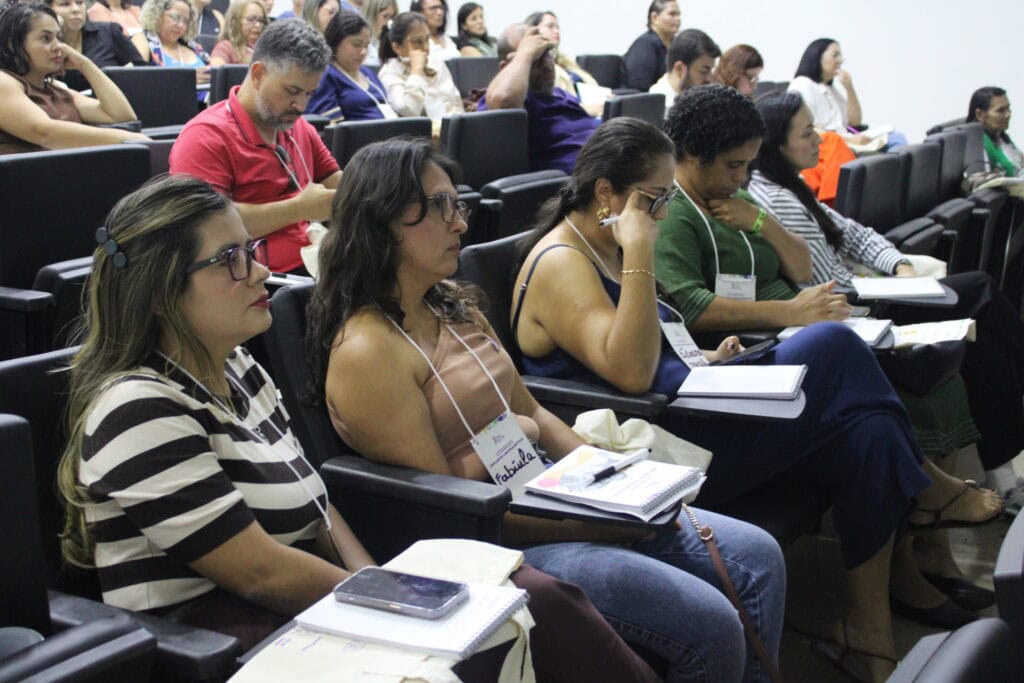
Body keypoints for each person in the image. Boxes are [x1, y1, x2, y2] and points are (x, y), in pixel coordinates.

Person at [55, 175, 661, 683]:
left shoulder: (235, 367)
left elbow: (318, 507)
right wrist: (393, 606)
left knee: (540, 601)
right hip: (219, 635)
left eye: (253, 250)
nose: (260, 273)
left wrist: (381, 582)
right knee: (481, 643)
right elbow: (257, 572)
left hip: (302, 600)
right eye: (231, 261)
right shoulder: (137, 407)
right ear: (162, 293)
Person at [513, 115, 1003, 681]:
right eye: (655, 198)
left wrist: (707, 360)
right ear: (607, 194)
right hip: (655, 449)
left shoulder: (605, 244)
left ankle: (867, 633)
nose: (664, 213)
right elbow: (627, 374)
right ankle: (925, 489)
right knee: (832, 343)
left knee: (865, 432)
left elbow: (653, 347)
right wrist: (640, 252)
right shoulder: (563, 262)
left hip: (694, 403)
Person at [306, 135, 788, 683]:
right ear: (383, 222)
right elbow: (450, 513)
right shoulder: (369, 349)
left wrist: (619, 481)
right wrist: (595, 524)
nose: (460, 223)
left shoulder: (452, 305)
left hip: (549, 493)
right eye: (440, 208)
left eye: (456, 205)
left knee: (759, 554)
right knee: (711, 623)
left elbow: (531, 408)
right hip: (501, 542)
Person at [750, 91, 1024, 516]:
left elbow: (855, 233)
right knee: (981, 289)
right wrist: (880, 284)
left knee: (982, 334)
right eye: (807, 134)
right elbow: (823, 282)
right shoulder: (773, 198)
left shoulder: (793, 185)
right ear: (775, 146)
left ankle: (1003, 477)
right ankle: (1004, 475)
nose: (820, 140)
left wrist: (899, 267)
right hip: (860, 311)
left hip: (874, 294)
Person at [169, 18, 340, 274]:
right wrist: (299, 208)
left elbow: (338, 183)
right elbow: (207, 226)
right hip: (254, 282)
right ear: (258, 74)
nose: (301, 106)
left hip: (314, 268)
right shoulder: (205, 137)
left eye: (309, 94)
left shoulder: (298, 127)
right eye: (292, 91)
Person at [0, 2, 146, 155]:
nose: (60, 47)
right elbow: (44, 132)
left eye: (59, 38)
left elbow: (121, 115)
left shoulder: (56, 89)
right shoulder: (4, 81)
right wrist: (124, 138)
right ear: (12, 44)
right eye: (46, 38)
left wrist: (84, 64)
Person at [478, 24, 598, 174]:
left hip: (607, 163)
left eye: (547, 53)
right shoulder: (506, 100)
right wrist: (526, 52)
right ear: (506, 67)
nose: (547, 64)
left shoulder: (561, 94)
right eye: (536, 57)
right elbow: (504, 99)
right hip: (576, 183)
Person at [788, 38, 905, 150]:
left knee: (895, 137)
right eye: (835, 55)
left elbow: (855, 122)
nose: (840, 60)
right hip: (828, 146)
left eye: (840, 55)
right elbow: (808, 129)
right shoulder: (802, 85)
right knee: (894, 142)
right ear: (817, 56)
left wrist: (849, 88)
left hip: (845, 140)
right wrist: (850, 141)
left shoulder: (831, 88)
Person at [307, 10, 393, 121]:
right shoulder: (326, 75)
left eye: (366, 46)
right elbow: (330, 128)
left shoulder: (367, 72)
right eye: (356, 44)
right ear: (336, 41)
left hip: (391, 132)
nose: (363, 52)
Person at [376, 11, 461, 121]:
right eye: (418, 42)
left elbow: (456, 104)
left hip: (449, 129)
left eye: (427, 40)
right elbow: (409, 110)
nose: (426, 48)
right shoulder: (389, 72)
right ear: (397, 47)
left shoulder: (436, 63)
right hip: (419, 135)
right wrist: (416, 71)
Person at [44, 0, 146, 91]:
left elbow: (144, 71)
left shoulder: (109, 31)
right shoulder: (44, 43)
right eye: (65, 4)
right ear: (49, 10)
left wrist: (123, 75)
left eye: (79, 3)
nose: (76, 9)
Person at [524, 10, 605, 118]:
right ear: (533, 30)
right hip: (577, 116)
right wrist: (590, 109)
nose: (556, 31)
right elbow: (554, 106)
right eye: (550, 26)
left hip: (593, 111)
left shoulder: (566, 62)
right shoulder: (537, 68)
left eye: (557, 27)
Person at [132, 0, 211, 87]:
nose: (180, 25)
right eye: (175, 17)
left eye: (185, 21)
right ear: (157, 14)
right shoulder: (142, 39)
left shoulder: (193, 47)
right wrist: (186, 80)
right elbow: (136, 80)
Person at [648, 27, 719, 109]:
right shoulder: (657, 111)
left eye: (711, 71)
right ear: (679, 69)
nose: (710, 79)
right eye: (704, 71)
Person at [622, 0, 680, 92]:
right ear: (654, 17)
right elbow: (640, 86)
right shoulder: (645, 44)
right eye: (672, 14)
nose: (678, 19)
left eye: (679, 15)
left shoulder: (676, 45)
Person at [968, 86, 1023, 177]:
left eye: (1008, 108)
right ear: (980, 115)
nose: (1008, 115)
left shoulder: (1002, 138)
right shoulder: (976, 145)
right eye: (1000, 110)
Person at [210, 0, 266, 66]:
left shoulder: (268, 48)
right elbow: (216, 71)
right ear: (234, 21)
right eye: (251, 19)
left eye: (261, 20)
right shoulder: (226, 47)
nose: (258, 25)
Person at [358, 0, 395, 67]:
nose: (389, 22)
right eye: (385, 16)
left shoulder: (390, 43)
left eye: (392, 17)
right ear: (371, 15)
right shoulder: (361, 45)